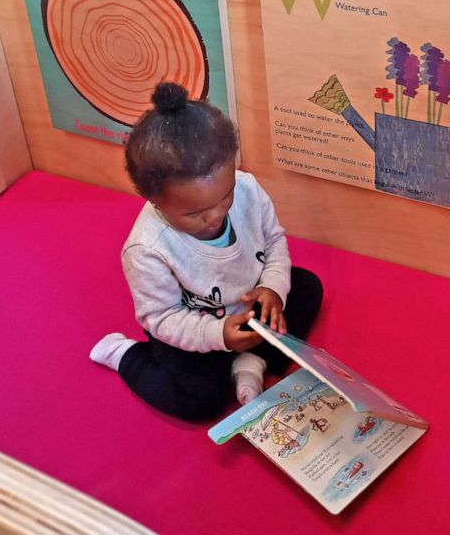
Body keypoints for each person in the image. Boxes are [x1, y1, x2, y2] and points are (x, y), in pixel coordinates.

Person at [90, 82, 323, 422]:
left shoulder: (247, 189)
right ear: (154, 200)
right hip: (192, 328)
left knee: (306, 288)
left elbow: (274, 242)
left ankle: (252, 361)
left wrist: (272, 287)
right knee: (199, 401)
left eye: (224, 197)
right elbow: (161, 318)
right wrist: (218, 335)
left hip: (245, 311)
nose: (215, 217)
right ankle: (126, 356)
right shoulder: (147, 249)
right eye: (195, 213)